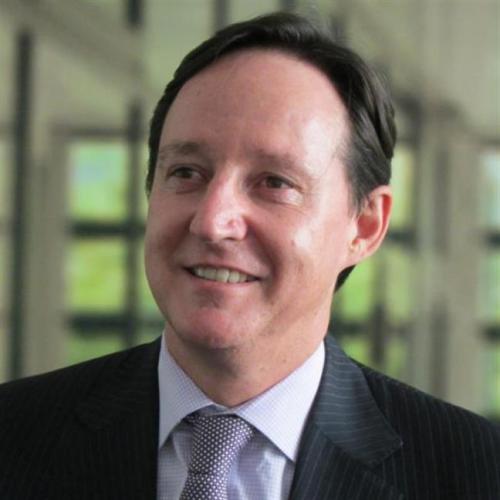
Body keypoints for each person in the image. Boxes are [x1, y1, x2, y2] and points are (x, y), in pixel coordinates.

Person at [0, 12, 498, 500]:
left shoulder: (477, 473)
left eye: (275, 182)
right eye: (186, 172)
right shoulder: (15, 435)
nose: (212, 221)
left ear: (364, 225)